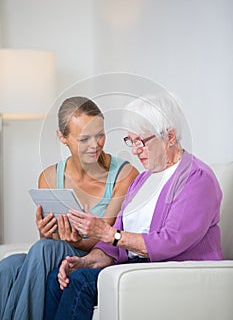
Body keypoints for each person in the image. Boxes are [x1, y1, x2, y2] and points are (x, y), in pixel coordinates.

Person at [44, 90, 224, 320]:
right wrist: (85, 261)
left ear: (170, 137)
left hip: (175, 271)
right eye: (131, 141)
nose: (135, 150)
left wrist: (108, 233)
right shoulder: (143, 180)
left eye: (141, 141)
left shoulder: (196, 178)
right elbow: (113, 246)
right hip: (138, 267)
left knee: (79, 283)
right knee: (59, 278)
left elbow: (169, 242)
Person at [0, 96, 139, 320]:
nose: (95, 145)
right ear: (63, 137)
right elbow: (50, 237)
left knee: (43, 248)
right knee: (8, 265)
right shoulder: (49, 177)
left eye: (100, 135)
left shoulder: (124, 174)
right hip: (56, 252)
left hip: (97, 255)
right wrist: (45, 230)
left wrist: (74, 241)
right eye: (84, 139)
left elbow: (109, 237)